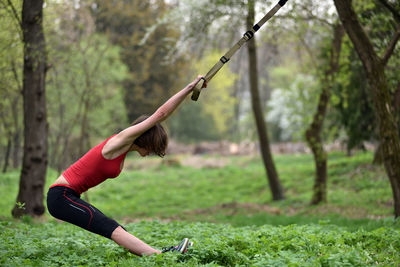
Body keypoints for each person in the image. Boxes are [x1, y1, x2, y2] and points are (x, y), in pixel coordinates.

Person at [47, 75, 207, 256]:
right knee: (110, 227)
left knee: (116, 228)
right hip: (60, 196)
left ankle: (158, 256)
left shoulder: (123, 152)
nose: (152, 153)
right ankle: (160, 257)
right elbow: (161, 114)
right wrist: (189, 88)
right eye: (154, 148)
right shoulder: (119, 141)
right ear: (146, 138)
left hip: (69, 195)